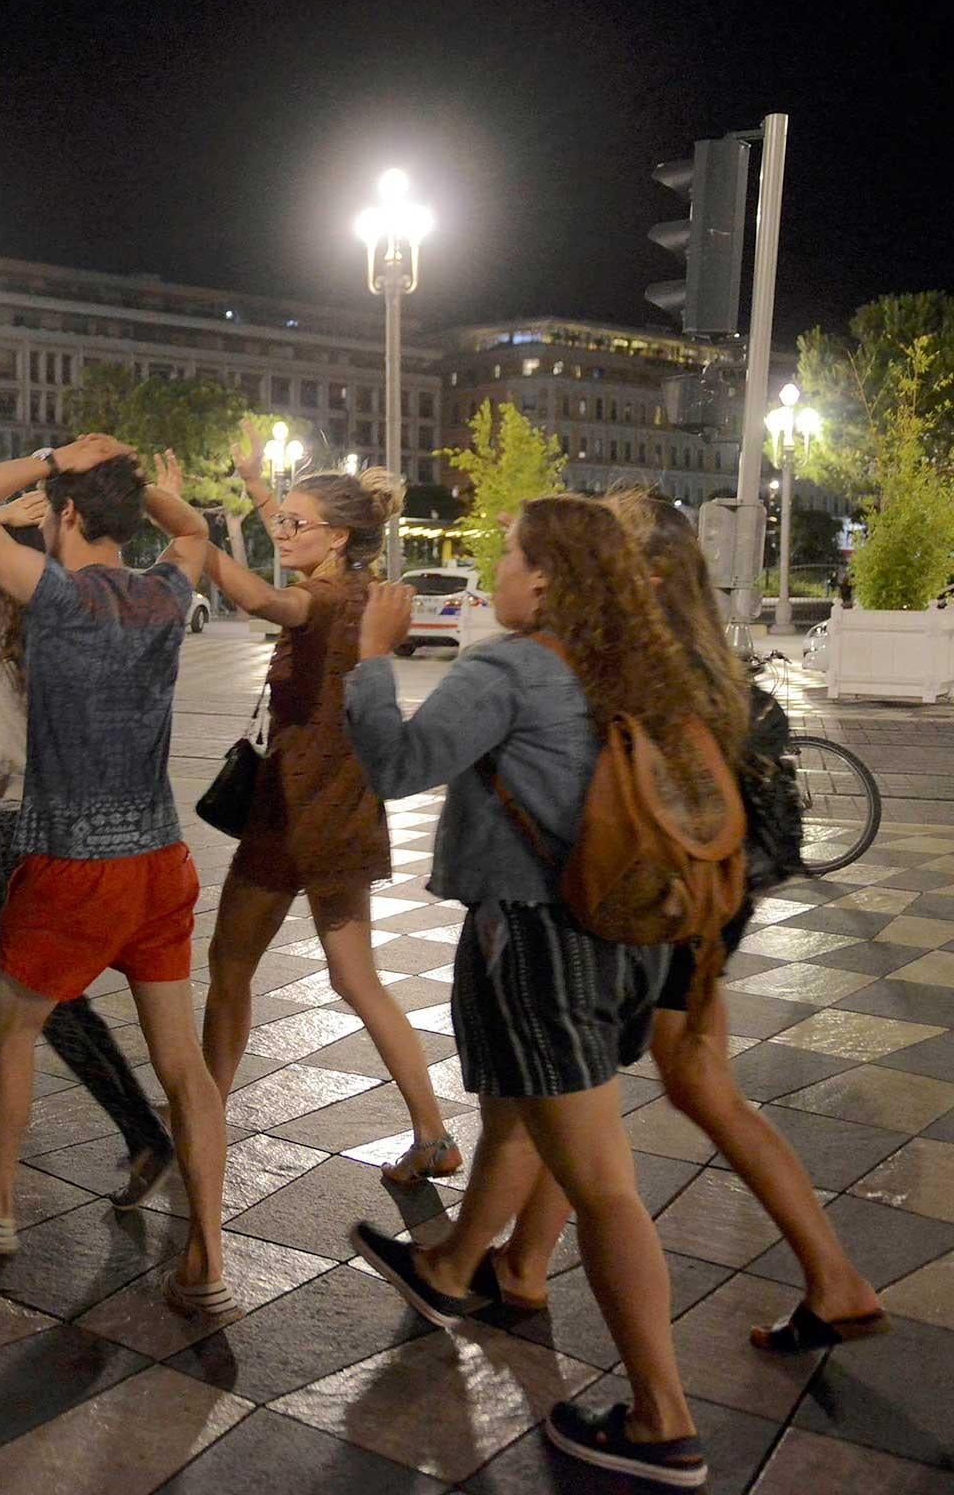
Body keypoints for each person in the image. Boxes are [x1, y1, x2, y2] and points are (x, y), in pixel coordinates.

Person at [342, 496, 711, 1489]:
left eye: (504, 556)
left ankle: (661, 1420)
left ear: (542, 578)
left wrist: (372, 657)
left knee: (600, 1183)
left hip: (539, 939)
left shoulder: (508, 666)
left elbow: (394, 763)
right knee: (516, 1112)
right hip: (623, 932)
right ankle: (459, 1269)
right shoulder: (628, 664)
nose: (493, 572)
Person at [482, 492, 886, 1354]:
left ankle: (834, 1279)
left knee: (654, 1084)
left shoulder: (648, 663)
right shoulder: (708, 658)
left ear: (652, 570)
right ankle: (522, 1261)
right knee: (666, 1084)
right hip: (712, 897)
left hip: (669, 899)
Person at [0, 434, 235, 1321]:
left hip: (71, 861)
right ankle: (207, 1256)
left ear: (64, 517)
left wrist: (56, 454)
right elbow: (195, 529)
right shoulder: (169, 591)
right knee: (183, 1066)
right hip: (160, 861)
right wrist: (145, 490)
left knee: (12, 1029)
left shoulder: (53, 596)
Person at [0, 470, 175, 1206]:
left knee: (35, 993)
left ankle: (137, 1131)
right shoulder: (82, 606)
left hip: (20, 819)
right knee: (10, 983)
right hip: (99, 821)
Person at [199, 436, 458, 1184]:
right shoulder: (355, 586)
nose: (282, 533)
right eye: (280, 523)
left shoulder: (323, 597)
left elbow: (260, 599)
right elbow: (293, 554)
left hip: (294, 814)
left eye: (295, 524)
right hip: (345, 810)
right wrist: (256, 487)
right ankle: (432, 1131)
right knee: (357, 977)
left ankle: (202, 1114)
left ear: (337, 536)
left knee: (229, 965)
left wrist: (197, 541)